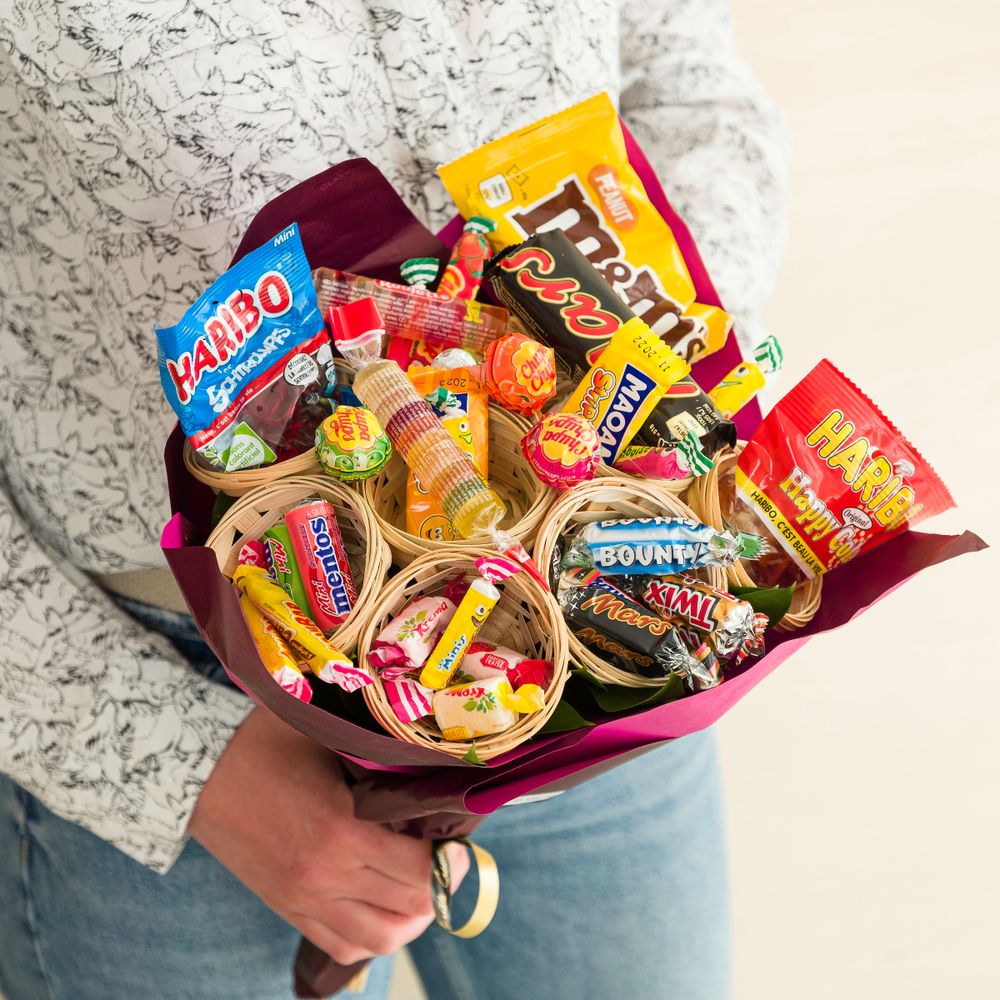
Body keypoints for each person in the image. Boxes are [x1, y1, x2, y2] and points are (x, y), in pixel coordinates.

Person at [0, 2, 787, 997]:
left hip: (612, 632)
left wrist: (644, 384)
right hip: (186, 699)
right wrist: (178, 758)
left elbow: (692, 92)